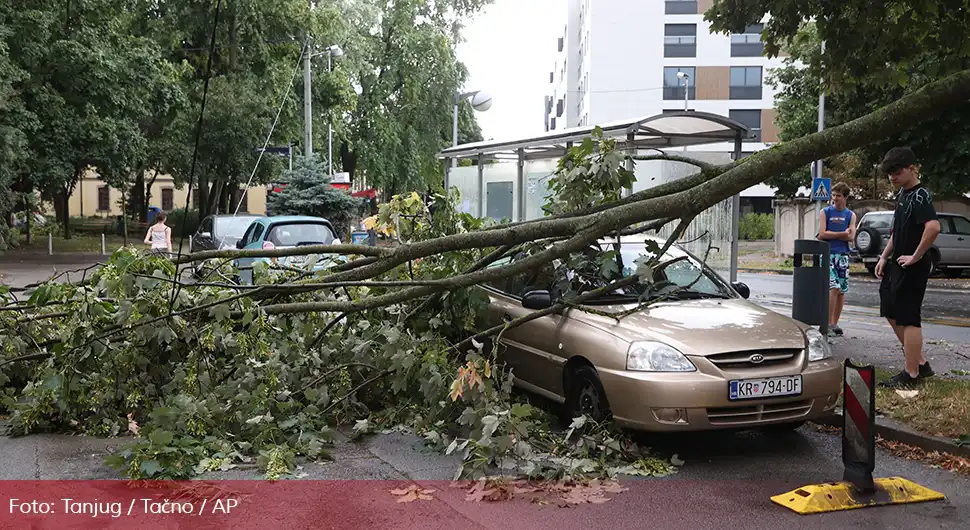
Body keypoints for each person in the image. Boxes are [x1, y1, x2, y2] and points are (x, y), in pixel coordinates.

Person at [875, 147, 941, 387]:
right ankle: (921, 362)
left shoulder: (920, 195)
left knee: (909, 317)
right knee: (890, 308)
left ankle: (911, 374)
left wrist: (915, 256)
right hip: (896, 264)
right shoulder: (903, 194)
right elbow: (897, 232)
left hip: (913, 266)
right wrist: (884, 257)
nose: (893, 177)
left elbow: (933, 227)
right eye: (889, 173)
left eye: (897, 171)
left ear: (912, 169)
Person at [817, 182, 856, 337]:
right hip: (827, 255)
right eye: (833, 195)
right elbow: (822, 234)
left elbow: (852, 236)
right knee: (833, 287)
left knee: (841, 291)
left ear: (845, 197)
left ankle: (834, 323)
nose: (835, 199)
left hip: (843, 256)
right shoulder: (825, 212)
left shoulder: (850, 215)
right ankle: (827, 324)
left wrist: (840, 234)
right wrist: (841, 234)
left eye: (838, 196)